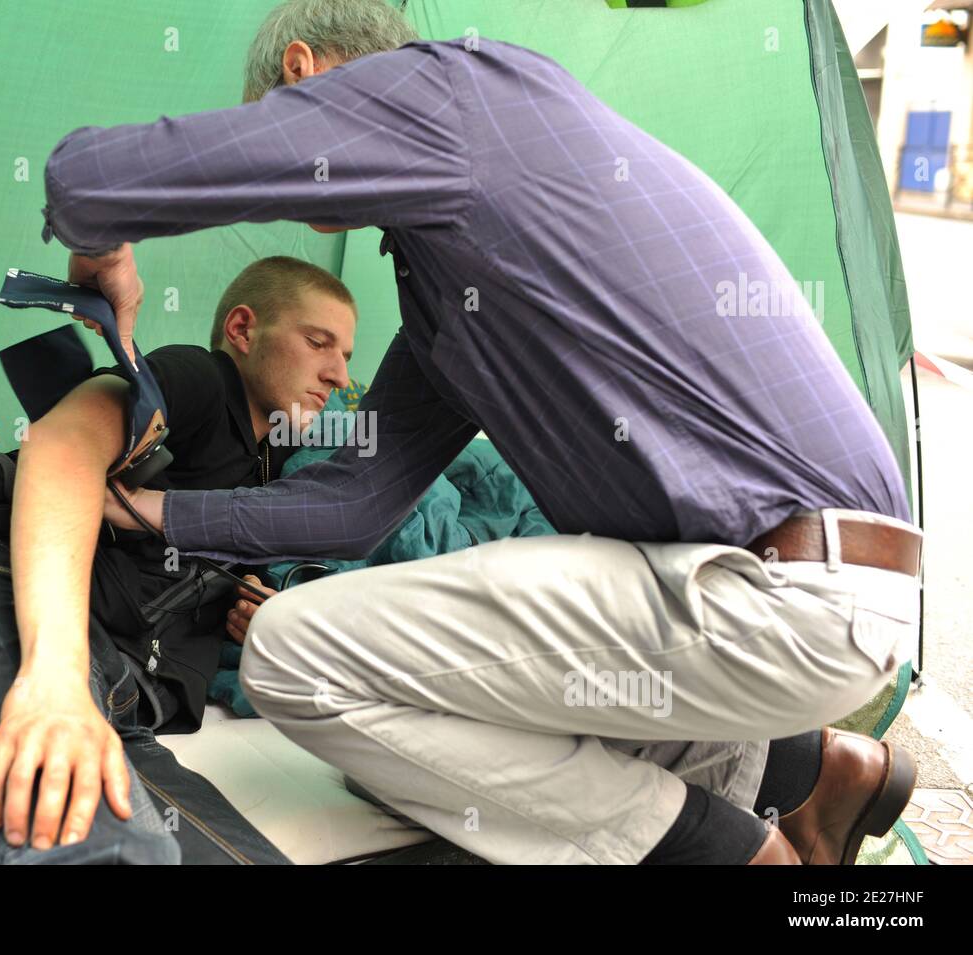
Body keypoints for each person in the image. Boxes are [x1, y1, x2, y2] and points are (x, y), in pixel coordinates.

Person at [48, 0, 921, 864]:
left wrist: (101, 249)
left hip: (784, 593)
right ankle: (809, 779)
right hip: (813, 605)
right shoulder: (451, 286)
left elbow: (89, 178)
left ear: (302, 74)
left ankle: (712, 851)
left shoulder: (445, 93)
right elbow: (351, 503)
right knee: (422, 730)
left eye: (273, 124)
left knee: (291, 653)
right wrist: (152, 511)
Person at [0, 255, 356, 863]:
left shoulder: (274, 467)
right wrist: (55, 680)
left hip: (119, 686)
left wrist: (244, 602)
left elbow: (175, 560)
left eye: (346, 357)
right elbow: (65, 439)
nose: (338, 374)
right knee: (82, 835)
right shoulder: (201, 377)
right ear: (242, 329)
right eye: (319, 343)